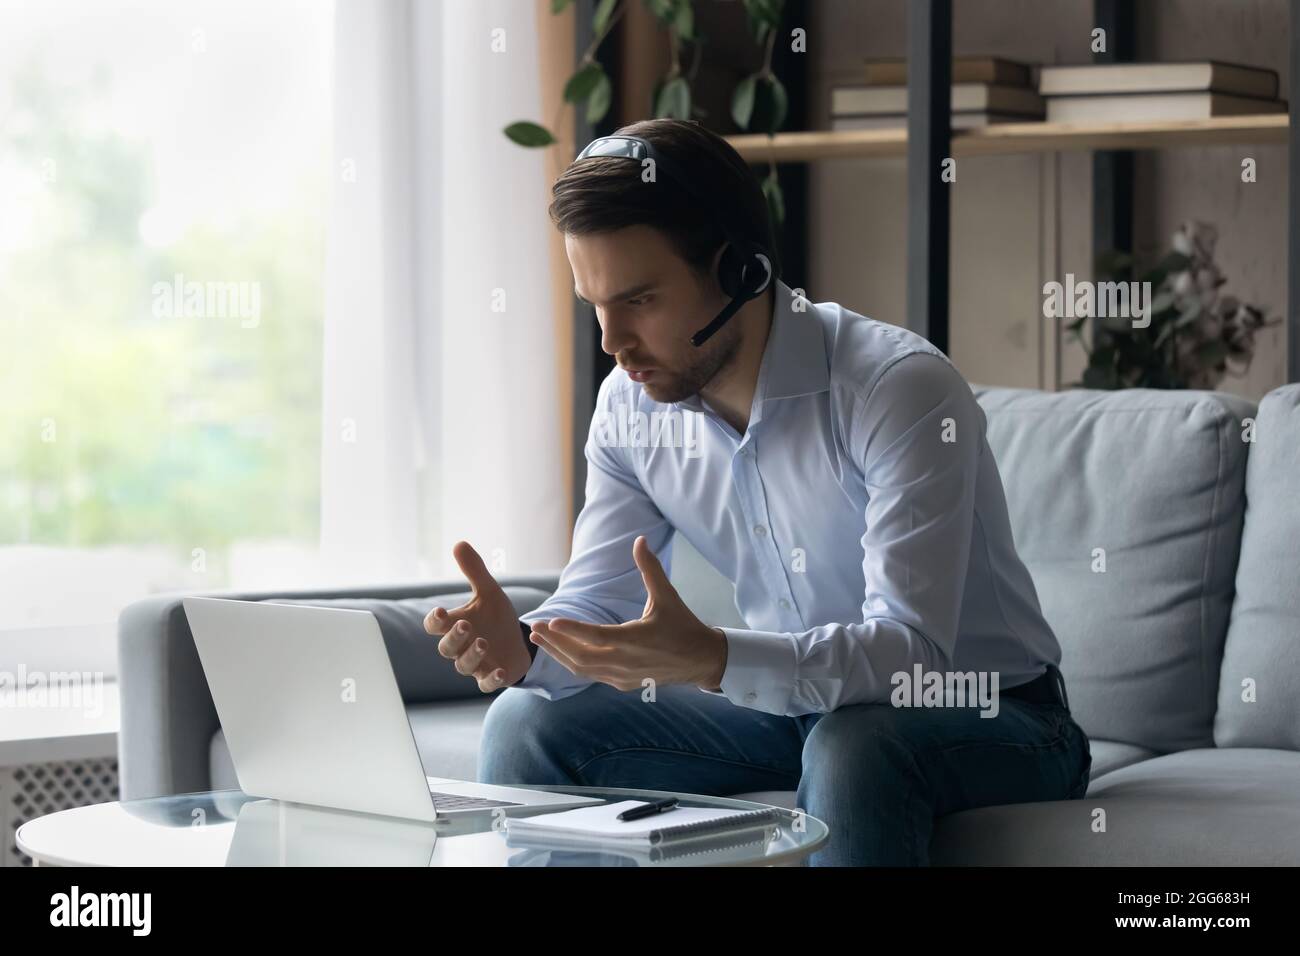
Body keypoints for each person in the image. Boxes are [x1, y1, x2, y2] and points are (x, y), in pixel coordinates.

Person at [423, 118, 1091, 866]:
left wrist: (712, 658)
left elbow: (913, 657)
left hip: (989, 709)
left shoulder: (897, 390)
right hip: (789, 712)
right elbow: (595, 604)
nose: (611, 342)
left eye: (638, 300)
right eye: (594, 305)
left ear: (740, 271)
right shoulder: (629, 404)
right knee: (524, 723)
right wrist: (523, 646)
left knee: (854, 742)